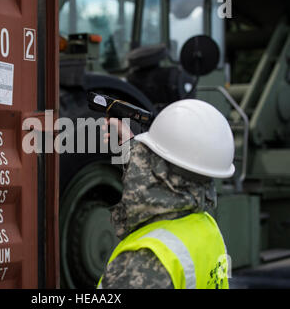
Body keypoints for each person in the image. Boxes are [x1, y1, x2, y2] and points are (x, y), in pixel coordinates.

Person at [98, 99, 234, 289]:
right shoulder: (207, 228)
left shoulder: (143, 262)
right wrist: (130, 143)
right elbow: (167, 177)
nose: (140, 155)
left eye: (146, 153)